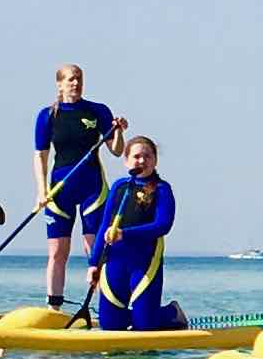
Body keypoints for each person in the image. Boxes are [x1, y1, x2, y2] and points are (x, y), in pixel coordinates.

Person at [30, 63, 124, 314]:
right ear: (59, 84)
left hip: (92, 187)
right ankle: (54, 309)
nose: (75, 83)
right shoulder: (47, 115)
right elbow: (40, 157)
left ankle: (107, 306)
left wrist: (118, 132)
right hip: (59, 189)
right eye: (70, 79)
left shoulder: (98, 111)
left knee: (94, 249)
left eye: (79, 78)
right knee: (58, 252)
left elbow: (116, 151)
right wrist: (41, 192)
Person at [86, 135, 186, 332]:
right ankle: (133, 315)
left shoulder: (162, 189)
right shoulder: (119, 187)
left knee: (144, 326)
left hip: (145, 264)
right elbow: (104, 226)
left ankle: (171, 314)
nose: (142, 161)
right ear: (126, 161)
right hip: (115, 263)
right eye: (137, 156)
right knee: (111, 326)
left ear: (155, 160)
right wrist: (93, 264)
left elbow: (162, 225)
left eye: (148, 156)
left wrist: (125, 234)